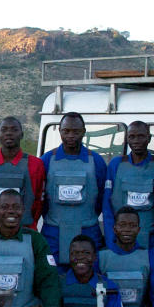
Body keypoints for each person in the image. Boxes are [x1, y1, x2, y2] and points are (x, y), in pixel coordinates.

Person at [40, 112, 107, 265]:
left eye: (76, 131)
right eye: (66, 131)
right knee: (52, 276)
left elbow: (101, 199)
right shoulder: (47, 160)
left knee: (87, 278)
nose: (71, 136)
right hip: (53, 232)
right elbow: (40, 199)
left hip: (87, 231)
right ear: (60, 131)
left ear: (83, 131)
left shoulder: (96, 161)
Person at [102, 121, 154, 249]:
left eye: (141, 136)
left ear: (149, 138)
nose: (136, 141)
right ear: (127, 139)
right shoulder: (116, 164)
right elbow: (107, 205)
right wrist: (111, 239)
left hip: (151, 238)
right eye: (132, 137)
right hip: (120, 239)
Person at [0, 117, 45, 231]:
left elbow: (39, 203)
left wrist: (28, 221)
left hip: (27, 231)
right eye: (4, 130)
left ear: (22, 134)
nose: (9, 133)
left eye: (14, 130)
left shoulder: (36, 164)